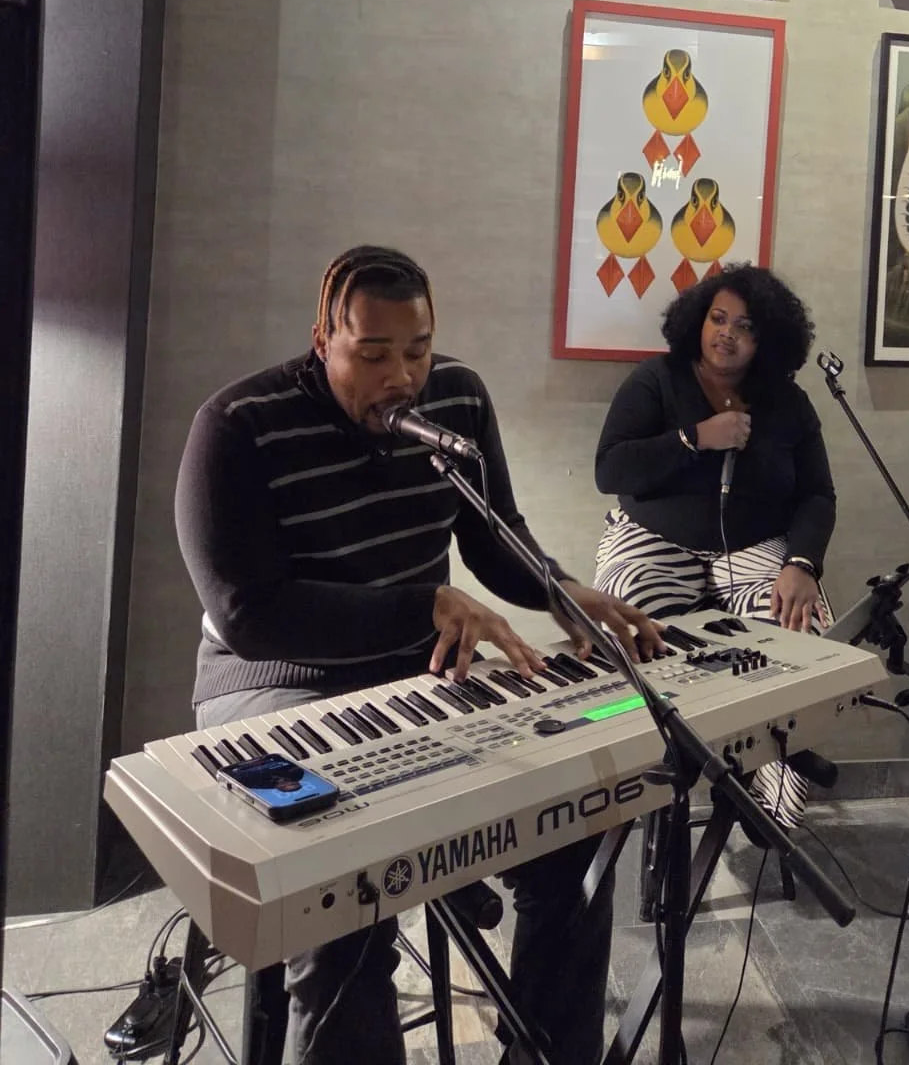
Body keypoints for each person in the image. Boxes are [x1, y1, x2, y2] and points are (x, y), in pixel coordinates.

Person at [176, 244, 664, 1065]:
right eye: (372, 354)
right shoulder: (236, 427)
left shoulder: (459, 401)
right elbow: (247, 614)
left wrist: (560, 588)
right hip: (271, 685)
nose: (401, 375)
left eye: (417, 349)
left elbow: (494, 538)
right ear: (323, 339)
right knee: (345, 898)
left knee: (580, 831)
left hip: (418, 671)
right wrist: (421, 605)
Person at [593, 262, 836, 827]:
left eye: (744, 326)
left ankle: (766, 800)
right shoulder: (655, 380)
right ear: (697, 322)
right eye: (717, 318)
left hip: (754, 549)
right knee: (630, 638)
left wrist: (802, 562)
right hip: (653, 540)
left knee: (804, 638)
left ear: (766, 339)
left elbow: (818, 495)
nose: (726, 333)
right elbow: (611, 469)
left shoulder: (788, 403)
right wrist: (694, 438)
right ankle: (653, 785)